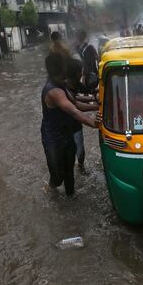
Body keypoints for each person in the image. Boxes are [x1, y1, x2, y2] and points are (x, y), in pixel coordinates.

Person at [41, 53, 99, 196]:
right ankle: (49, 191)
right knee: (57, 177)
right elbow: (73, 111)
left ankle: (71, 198)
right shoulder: (53, 91)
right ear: (59, 69)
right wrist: (94, 123)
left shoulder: (62, 86)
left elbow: (76, 103)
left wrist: (98, 106)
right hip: (53, 140)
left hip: (67, 134)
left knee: (69, 173)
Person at [65, 58, 98, 174]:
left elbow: (81, 96)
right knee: (68, 153)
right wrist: (97, 106)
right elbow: (76, 105)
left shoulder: (76, 84)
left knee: (81, 151)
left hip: (76, 124)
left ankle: (80, 166)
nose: (82, 74)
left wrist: (94, 98)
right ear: (77, 73)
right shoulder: (64, 89)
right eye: (81, 72)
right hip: (65, 126)